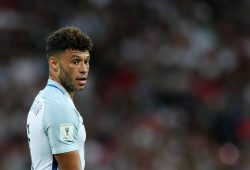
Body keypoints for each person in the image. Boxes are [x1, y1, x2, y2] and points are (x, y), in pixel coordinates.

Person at [26, 26, 93, 170]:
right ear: (54, 64)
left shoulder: (44, 98)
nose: (83, 69)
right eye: (75, 61)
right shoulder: (59, 107)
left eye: (86, 61)